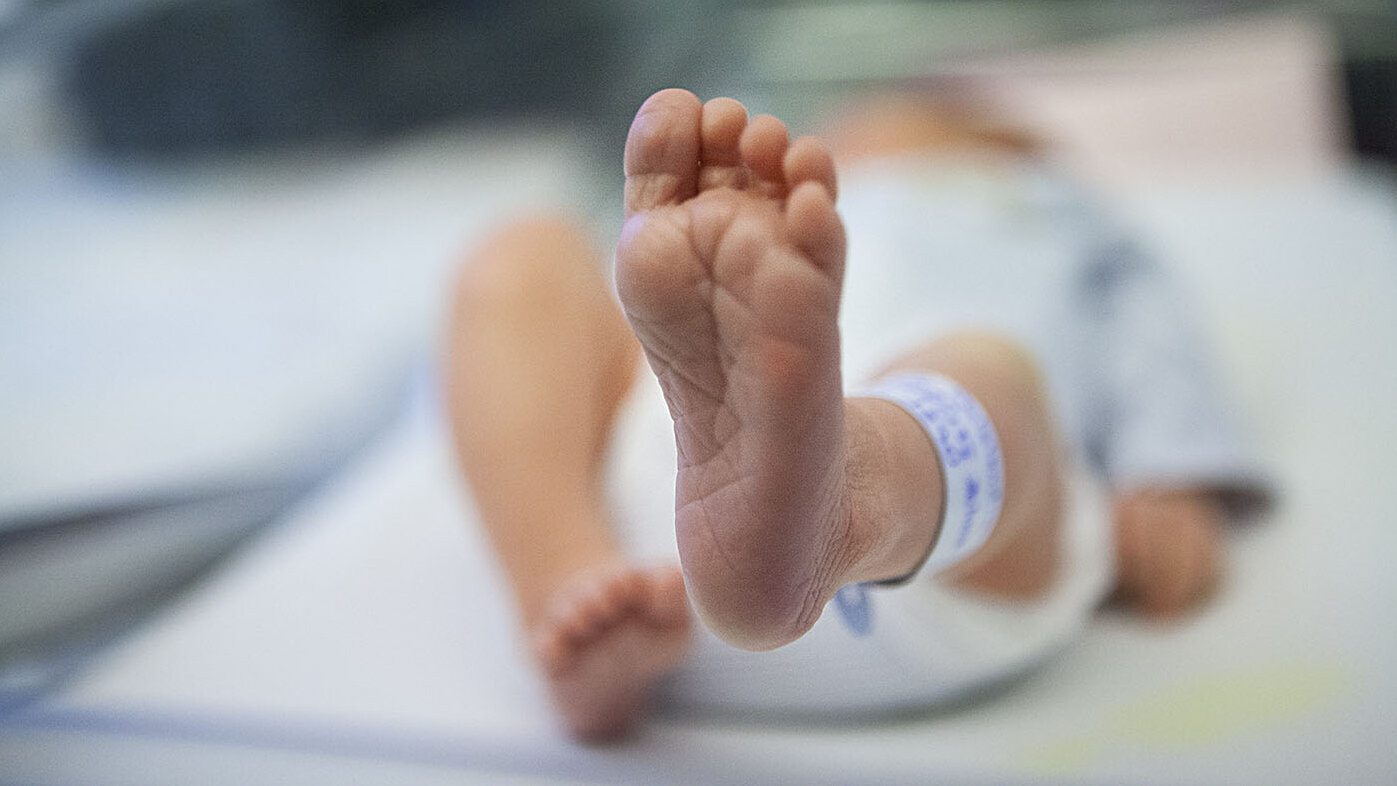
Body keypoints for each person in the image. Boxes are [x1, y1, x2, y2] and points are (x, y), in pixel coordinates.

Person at [444, 89, 1269, 741]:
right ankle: (566, 580)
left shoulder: (1053, 210)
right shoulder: (747, 226)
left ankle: (849, 494)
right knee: (527, 254)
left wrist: (1171, 471)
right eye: (851, 134)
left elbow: (1153, 330)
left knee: (985, 372)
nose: (881, 139)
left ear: (1004, 153)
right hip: (649, 552)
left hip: (952, 536)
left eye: (919, 126)